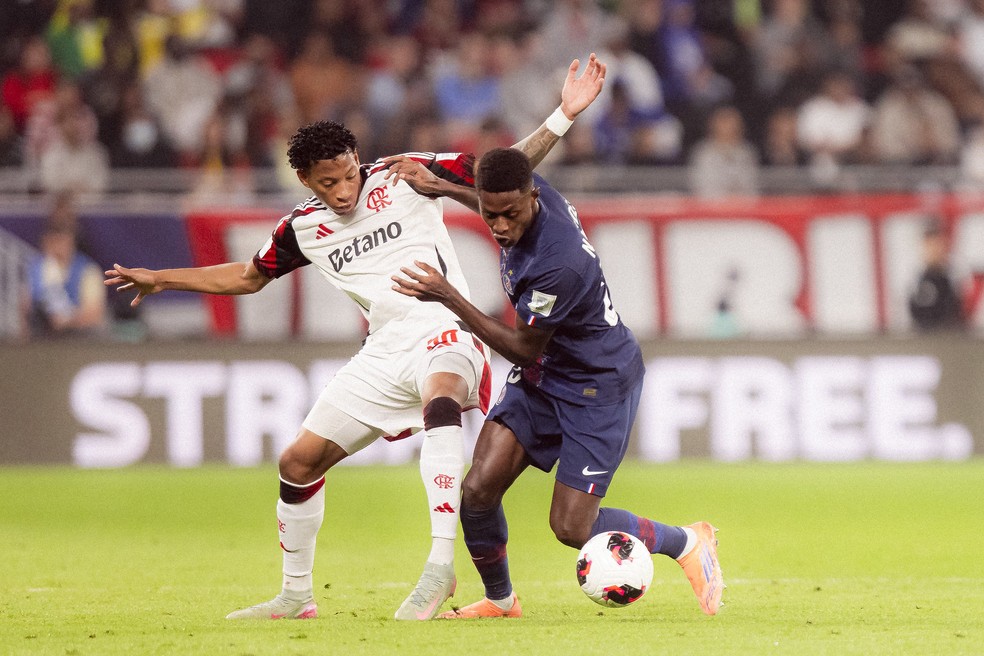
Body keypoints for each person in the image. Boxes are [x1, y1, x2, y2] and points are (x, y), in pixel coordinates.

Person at [104, 54, 608, 621]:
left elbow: (506, 170)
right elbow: (248, 276)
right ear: (304, 180)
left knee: (441, 398)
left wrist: (564, 115)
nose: (345, 189)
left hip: (446, 325)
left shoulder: (405, 173)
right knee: (297, 463)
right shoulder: (301, 228)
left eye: (349, 174)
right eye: (329, 182)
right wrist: (162, 278)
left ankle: (441, 566)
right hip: (383, 349)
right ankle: (296, 596)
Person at [388, 147, 724, 619]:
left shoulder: (557, 263)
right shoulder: (532, 191)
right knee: (478, 491)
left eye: (510, 214)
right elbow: (497, 202)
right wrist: (443, 187)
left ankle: (687, 541)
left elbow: (523, 347)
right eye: (490, 214)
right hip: (544, 378)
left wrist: (448, 295)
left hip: (597, 384)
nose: (500, 227)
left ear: (532, 197)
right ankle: (501, 601)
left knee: (570, 527)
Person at [22, 202, 107, 339]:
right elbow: (26, 308)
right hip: (43, 336)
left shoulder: (87, 270)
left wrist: (67, 321)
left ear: (71, 242)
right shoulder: (36, 269)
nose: (57, 247)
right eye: (53, 241)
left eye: (61, 241)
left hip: (78, 337)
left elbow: (94, 313)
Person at [908, 218, 965, 332]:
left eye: (938, 245)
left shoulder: (950, 277)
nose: (935, 250)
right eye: (930, 246)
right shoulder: (920, 280)